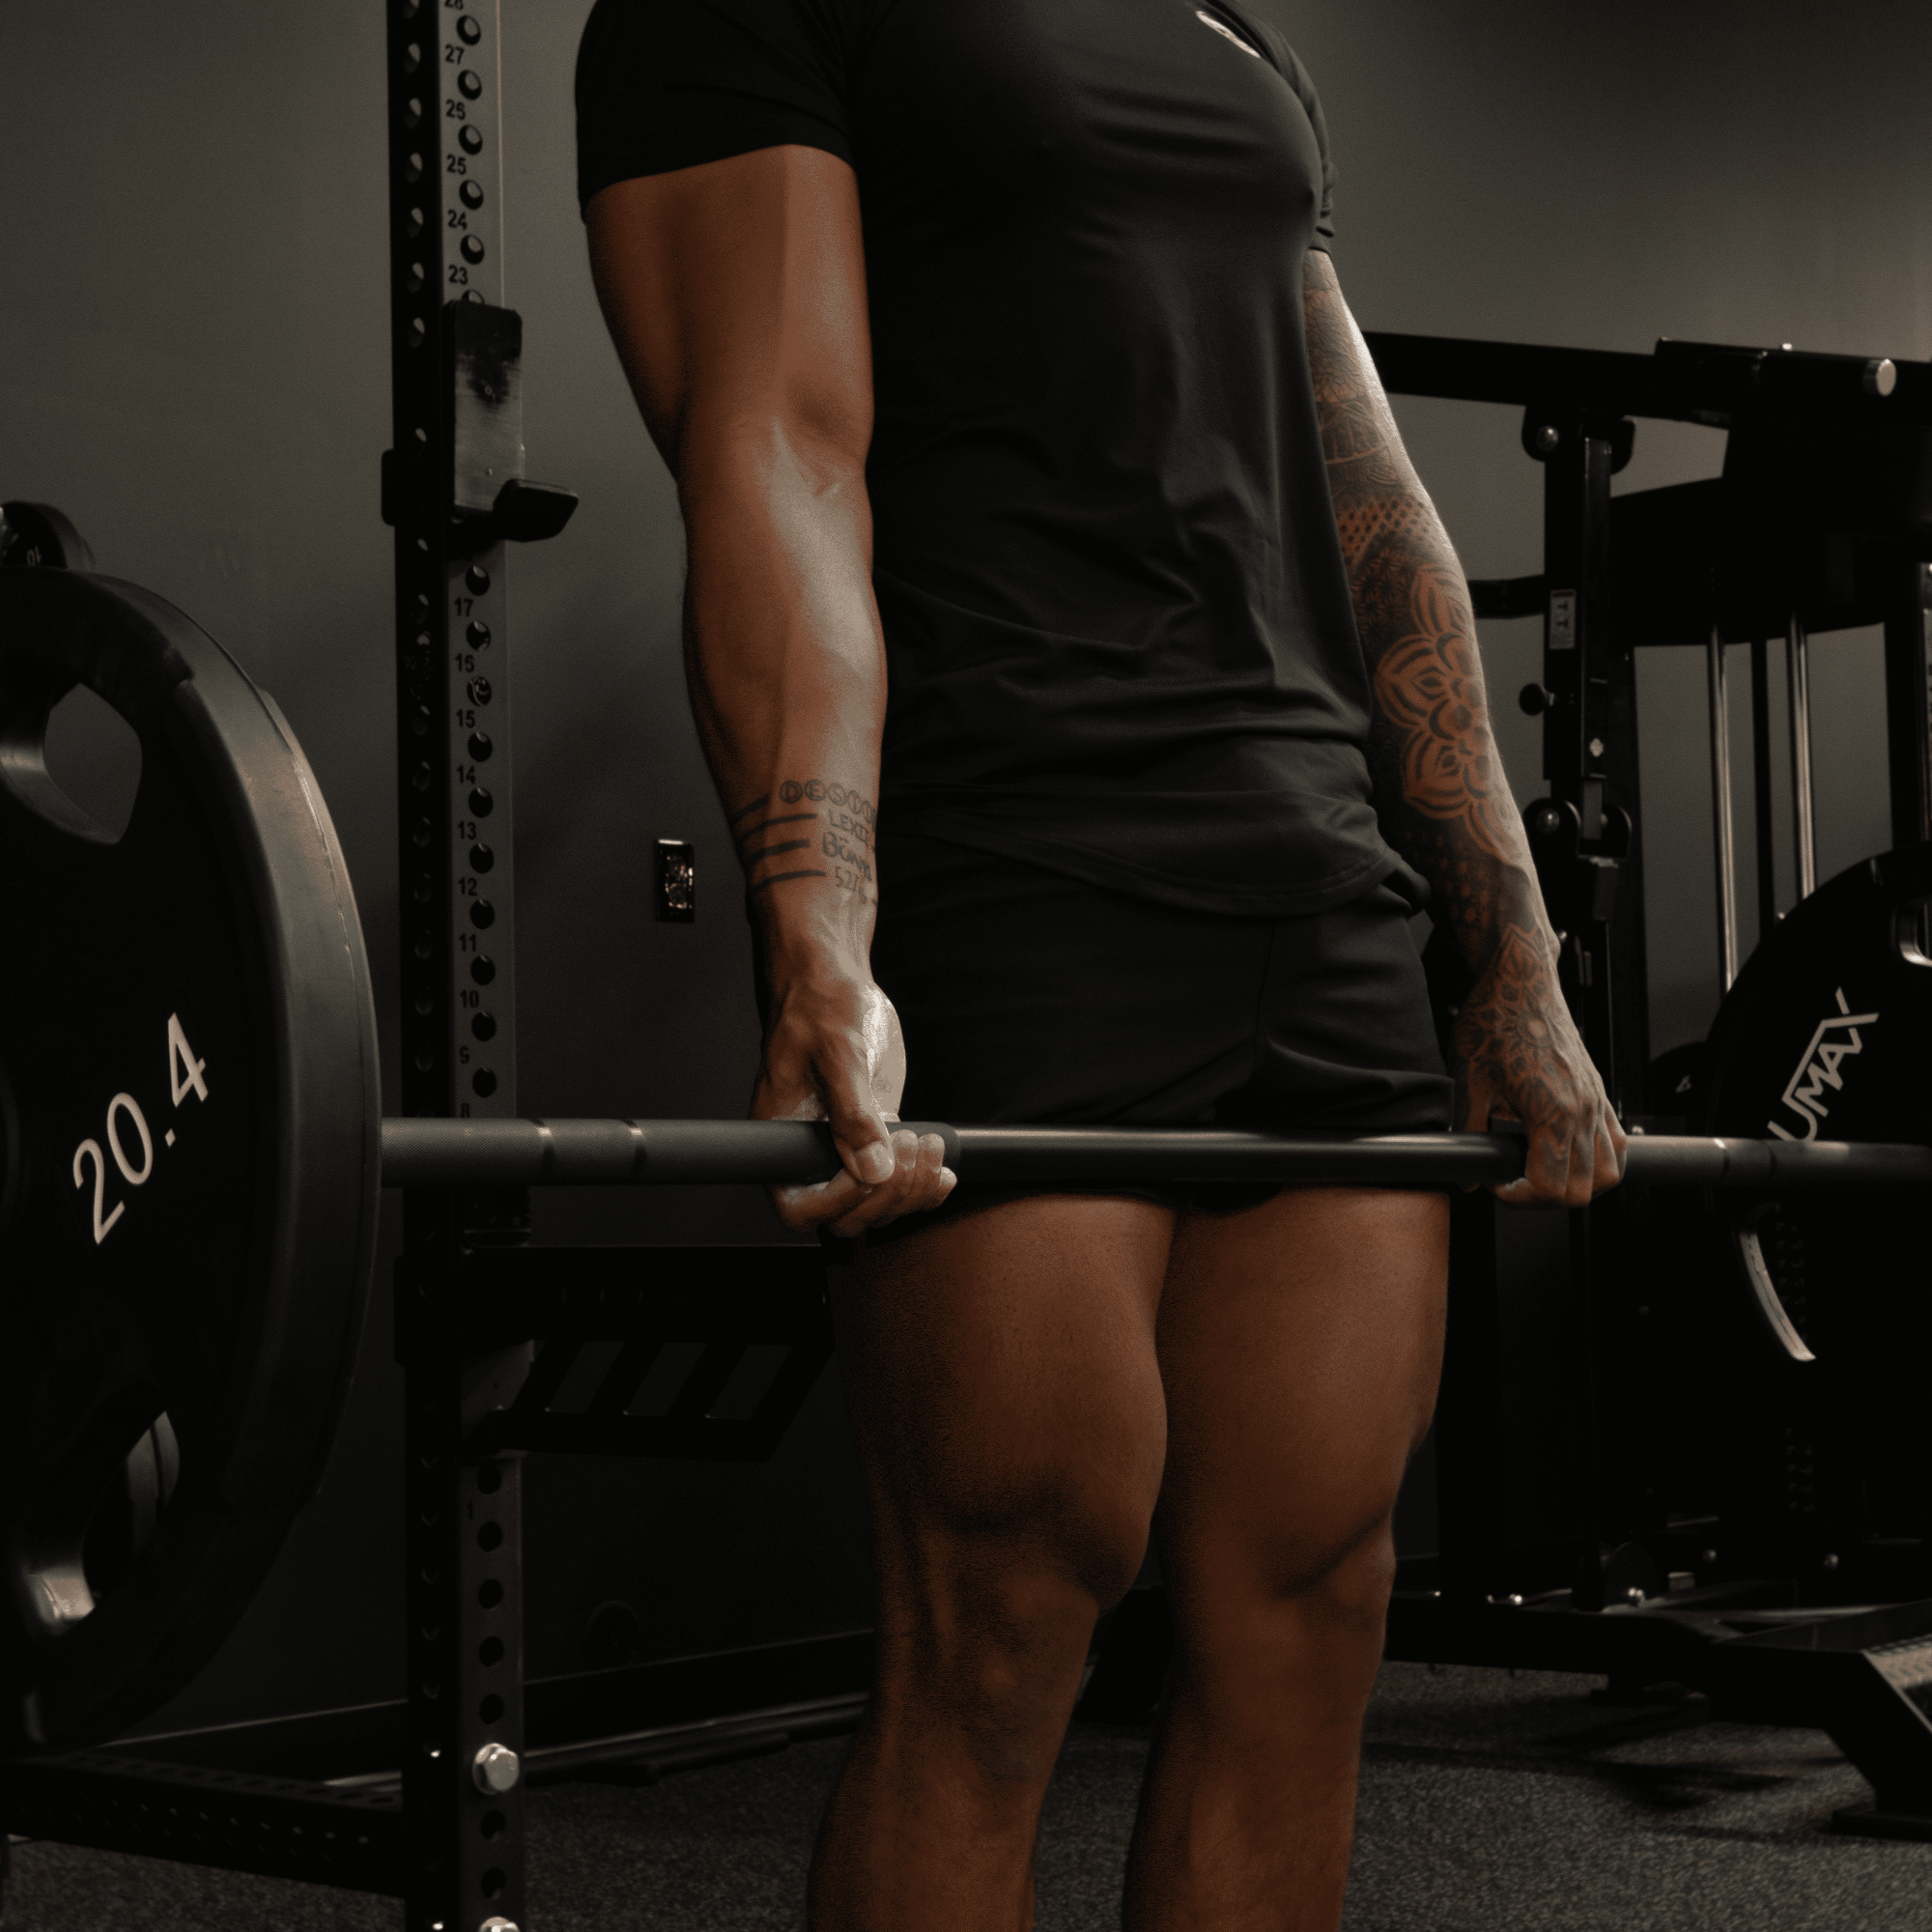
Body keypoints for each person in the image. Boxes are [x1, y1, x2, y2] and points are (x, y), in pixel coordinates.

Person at [577, 1, 1624, 1924]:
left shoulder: (1231, 38)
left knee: (1314, 1610)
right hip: (1012, 849)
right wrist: (819, 930)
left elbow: (1369, 501)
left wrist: (1509, 946)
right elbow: (776, 445)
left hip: (1314, 879)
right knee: (1007, 1612)